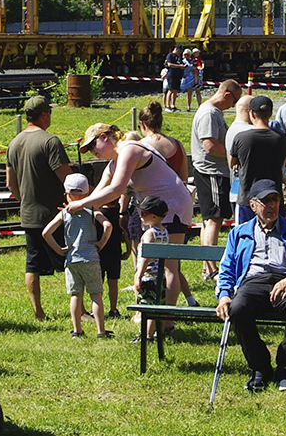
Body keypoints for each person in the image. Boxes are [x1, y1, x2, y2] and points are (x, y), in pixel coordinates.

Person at [68, 121, 195, 311]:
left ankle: (167, 320)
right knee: (153, 263)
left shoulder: (130, 149)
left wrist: (82, 204)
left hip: (173, 206)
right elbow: (98, 194)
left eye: (93, 145)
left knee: (169, 265)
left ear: (104, 137)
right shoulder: (113, 164)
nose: (92, 151)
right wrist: (76, 207)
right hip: (154, 209)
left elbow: (117, 189)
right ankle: (153, 313)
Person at [214, 180, 286, 392]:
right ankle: (260, 367)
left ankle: (285, 367)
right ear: (253, 205)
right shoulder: (239, 233)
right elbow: (226, 268)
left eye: (275, 199)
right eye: (265, 201)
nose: (271, 205)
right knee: (237, 308)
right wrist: (224, 295)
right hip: (253, 282)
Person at [5, 94, 73, 322]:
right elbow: (68, 179)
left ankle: (39, 312)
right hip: (56, 213)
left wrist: (25, 200)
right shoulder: (50, 142)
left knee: (32, 263)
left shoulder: (13, 143)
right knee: (72, 260)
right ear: (44, 114)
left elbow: (10, 183)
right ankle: (79, 308)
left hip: (29, 214)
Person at [44, 173, 110, 338]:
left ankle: (77, 330)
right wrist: (101, 242)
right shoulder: (92, 209)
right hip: (91, 258)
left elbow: (46, 232)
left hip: (72, 259)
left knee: (76, 295)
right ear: (87, 194)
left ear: (67, 193)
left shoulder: (64, 213)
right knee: (96, 295)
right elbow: (108, 225)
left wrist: (59, 250)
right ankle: (101, 331)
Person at [191, 80, 241, 252]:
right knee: (214, 219)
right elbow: (210, 146)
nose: (233, 106)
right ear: (227, 95)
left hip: (211, 172)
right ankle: (210, 264)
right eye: (234, 101)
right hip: (212, 172)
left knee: (209, 220)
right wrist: (235, 154)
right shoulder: (209, 114)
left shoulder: (213, 112)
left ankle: (207, 266)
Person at [230, 95, 286, 203]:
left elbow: (232, 162)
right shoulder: (282, 139)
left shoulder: (241, 138)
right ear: (270, 114)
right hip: (274, 198)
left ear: (251, 113)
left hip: (248, 198)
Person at [136, 100, 188, 182]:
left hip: (148, 194)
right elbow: (184, 180)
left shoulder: (139, 147)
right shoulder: (178, 145)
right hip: (173, 194)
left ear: (142, 124)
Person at [160, 45, 186, 112]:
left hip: (178, 75)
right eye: (179, 50)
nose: (180, 52)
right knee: (170, 90)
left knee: (175, 91)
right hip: (171, 74)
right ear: (176, 49)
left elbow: (181, 63)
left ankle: (173, 105)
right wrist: (179, 66)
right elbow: (169, 64)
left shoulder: (178, 57)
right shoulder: (170, 55)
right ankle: (167, 106)